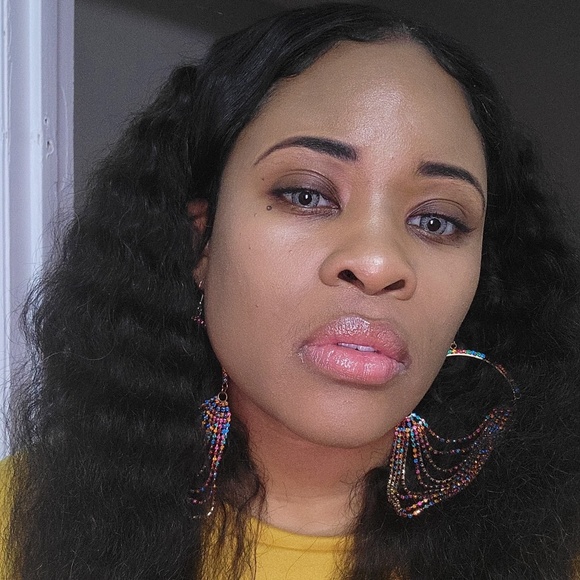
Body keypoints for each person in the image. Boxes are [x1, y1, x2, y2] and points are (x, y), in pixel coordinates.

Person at [2, 3, 580, 578]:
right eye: (307, 194)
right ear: (201, 242)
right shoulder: (18, 525)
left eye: (437, 221)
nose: (377, 263)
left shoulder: (557, 550)